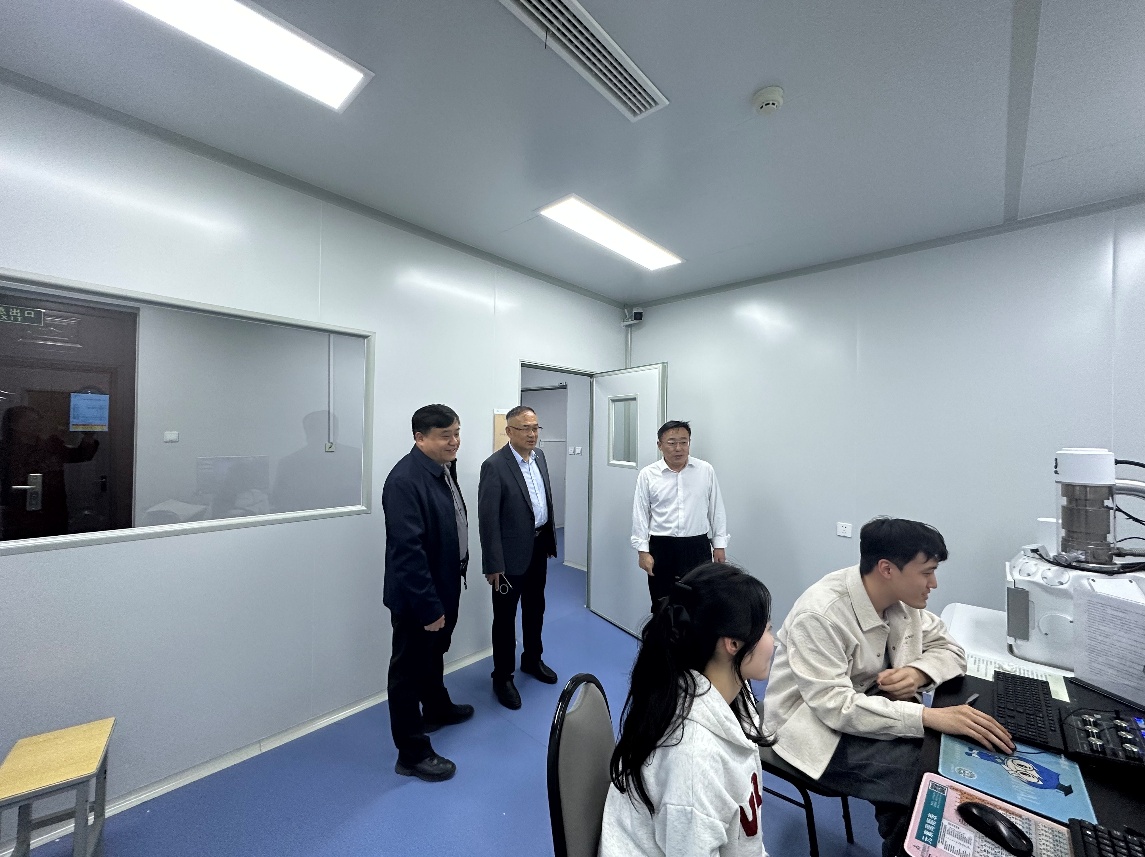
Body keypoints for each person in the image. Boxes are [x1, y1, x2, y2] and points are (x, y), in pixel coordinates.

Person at [762, 517, 1015, 857]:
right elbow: (836, 707)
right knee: (923, 782)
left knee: (940, 760)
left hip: (864, 710)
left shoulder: (900, 602)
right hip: (810, 729)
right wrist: (926, 716)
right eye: (926, 572)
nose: (934, 583)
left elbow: (952, 651)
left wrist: (918, 673)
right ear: (887, 569)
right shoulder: (821, 615)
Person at [601, 562, 775, 857]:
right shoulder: (694, 761)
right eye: (767, 629)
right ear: (732, 644)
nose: (774, 639)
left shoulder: (730, 693)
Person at [382, 404, 474, 782]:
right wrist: (428, 607)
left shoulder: (441, 469)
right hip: (419, 597)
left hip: (444, 584)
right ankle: (412, 753)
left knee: (434, 654)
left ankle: (437, 708)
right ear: (420, 438)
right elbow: (408, 553)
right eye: (445, 436)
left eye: (457, 433)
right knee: (407, 673)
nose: (454, 442)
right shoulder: (405, 480)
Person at [478, 405, 559, 710]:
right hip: (509, 557)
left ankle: (532, 660)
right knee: (505, 618)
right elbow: (488, 520)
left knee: (536, 608)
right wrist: (493, 564)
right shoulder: (495, 466)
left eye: (535, 427)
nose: (532, 433)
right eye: (525, 428)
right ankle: (502, 676)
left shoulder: (540, 458)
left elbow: (543, 502)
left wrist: (548, 540)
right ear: (509, 431)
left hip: (538, 548)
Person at [631, 420, 729, 609]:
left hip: (697, 546)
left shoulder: (705, 470)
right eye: (672, 442)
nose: (678, 448)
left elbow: (716, 509)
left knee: (699, 602)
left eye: (684, 442)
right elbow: (640, 514)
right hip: (662, 546)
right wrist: (643, 551)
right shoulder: (648, 474)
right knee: (662, 602)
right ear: (660, 445)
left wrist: (719, 546)